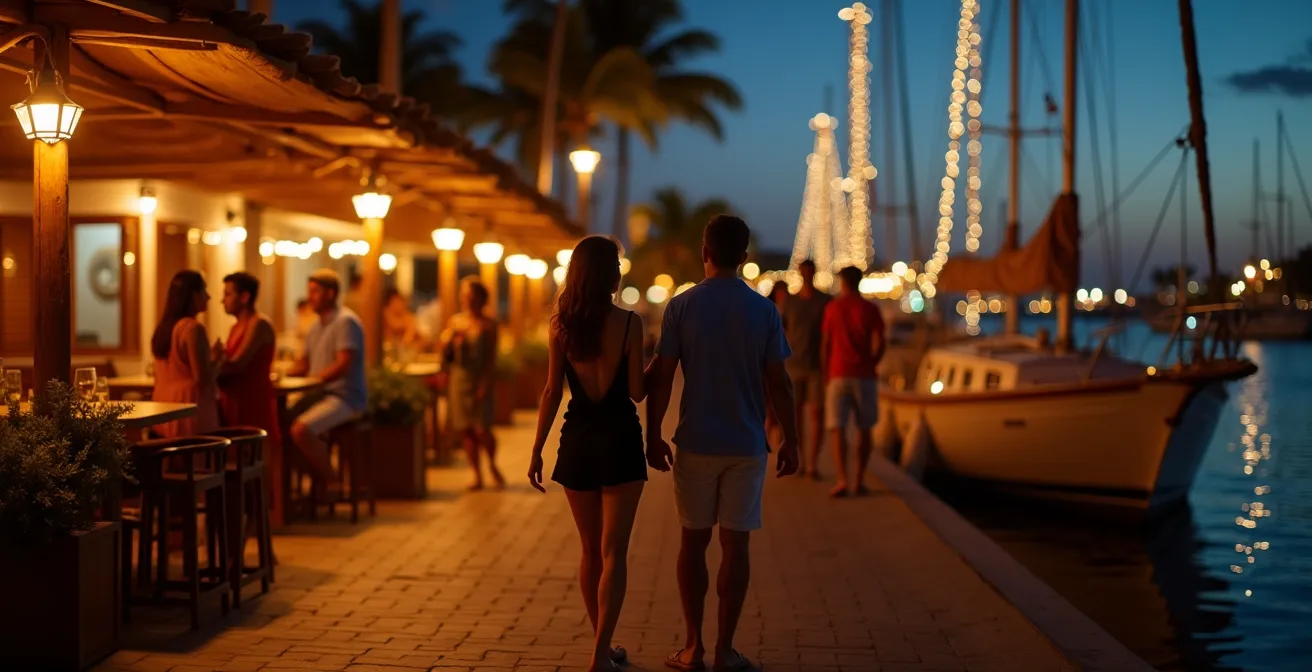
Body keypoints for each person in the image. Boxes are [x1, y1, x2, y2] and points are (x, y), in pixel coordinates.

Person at [646, 215, 800, 672]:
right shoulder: (764, 311)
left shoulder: (682, 306)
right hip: (747, 444)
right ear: (745, 257)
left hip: (694, 441)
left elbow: (663, 376)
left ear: (704, 252)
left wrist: (652, 434)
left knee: (692, 544)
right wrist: (791, 439)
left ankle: (692, 647)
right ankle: (725, 650)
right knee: (737, 547)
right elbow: (780, 382)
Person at [527, 235, 646, 672]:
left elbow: (550, 391)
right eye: (616, 263)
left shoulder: (561, 324)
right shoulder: (631, 324)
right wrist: (651, 367)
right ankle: (600, 652)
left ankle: (602, 646)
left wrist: (537, 449)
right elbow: (635, 393)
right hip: (620, 440)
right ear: (607, 273)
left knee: (588, 551)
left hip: (576, 440)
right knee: (614, 551)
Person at [287, 269, 367, 480]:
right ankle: (301, 488)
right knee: (278, 426)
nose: (309, 297)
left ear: (330, 294)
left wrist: (316, 380)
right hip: (319, 394)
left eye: (315, 292)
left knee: (300, 430)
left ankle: (330, 480)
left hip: (344, 396)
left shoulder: (346, 321)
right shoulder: (315, 326)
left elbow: (344, 363)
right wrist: (280, 374)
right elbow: (304, 364)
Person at [820, 266, 886, 497]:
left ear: (843, 282)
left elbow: (826, 344)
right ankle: (858, 480)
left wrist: (826, 373)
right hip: (864, 375)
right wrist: (872, 362)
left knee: (837, 428)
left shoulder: (832, 308)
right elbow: (879, 341)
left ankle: (842, 480)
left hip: (838, 373)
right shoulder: (870, 309)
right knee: (864, 428)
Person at [440, 278, 503, 490]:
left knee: (483, 428)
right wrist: (449, 342)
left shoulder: (489, 324)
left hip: (479, 378)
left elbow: (491, 358)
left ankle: (492, 463)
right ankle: (476, 474)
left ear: (479, 298)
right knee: (466, 429)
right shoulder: (455, 322)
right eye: (464, 295)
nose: (466, 299)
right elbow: (445, 355)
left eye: (470, 295)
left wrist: (485, 383)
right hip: (459, 379)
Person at [151, 270, 221, 437]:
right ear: (193, 295)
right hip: (188, 408)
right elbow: (202, 378)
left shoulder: (164, 328)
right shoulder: (193, 328)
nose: (209, 297)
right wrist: (219, 359)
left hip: (162, 406)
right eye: (204, 290)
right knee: (198, 461)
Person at [217, 271, 281, 447]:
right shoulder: (235, 327)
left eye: (228, 294)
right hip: (235, 399)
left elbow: (237, 364)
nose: (223, 300)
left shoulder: (259, 324)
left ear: (245, 297)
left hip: (252, 401)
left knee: (255, 454)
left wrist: (212, 359)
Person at [781, 259, 831, 479]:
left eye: (810, 271)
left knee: (817, 414)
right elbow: (781, 329)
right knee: (796, 416)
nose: (807, 274)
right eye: (804, 271)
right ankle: (800, 459)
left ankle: (813, 463)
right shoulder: (790, 302)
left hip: (817, 366)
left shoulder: (825, 301)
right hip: (793, 364)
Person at [383, 287, 420, 351]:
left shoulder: (407, 317)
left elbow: (409, 337)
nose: (400, 305)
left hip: (403, 351)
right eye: (396, 302)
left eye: (401, 302)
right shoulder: (385, 314)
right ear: (389, 303)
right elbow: (394, 324)